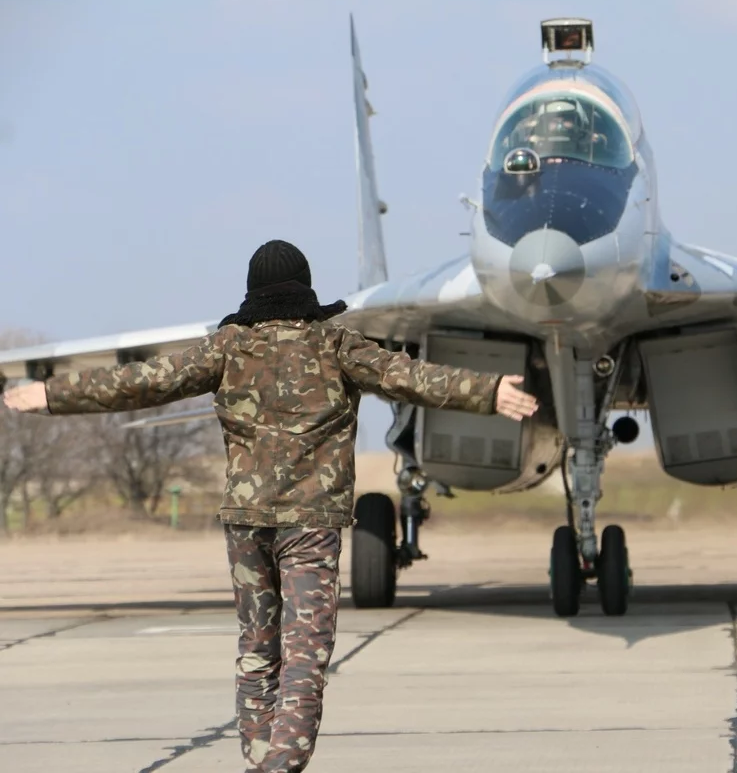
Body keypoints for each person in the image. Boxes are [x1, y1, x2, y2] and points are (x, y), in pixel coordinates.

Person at [2, 239, 539, 772]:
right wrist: (487, 391)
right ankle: (276, 767)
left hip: (246, 523)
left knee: (257, 653)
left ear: (253, 293)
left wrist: (52, 395)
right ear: (306, 290)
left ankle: (261, 760)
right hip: (310, 523)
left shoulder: (228, 346)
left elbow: (141, 382)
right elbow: (414, 377)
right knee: (305, 657)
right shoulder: (338, 345)